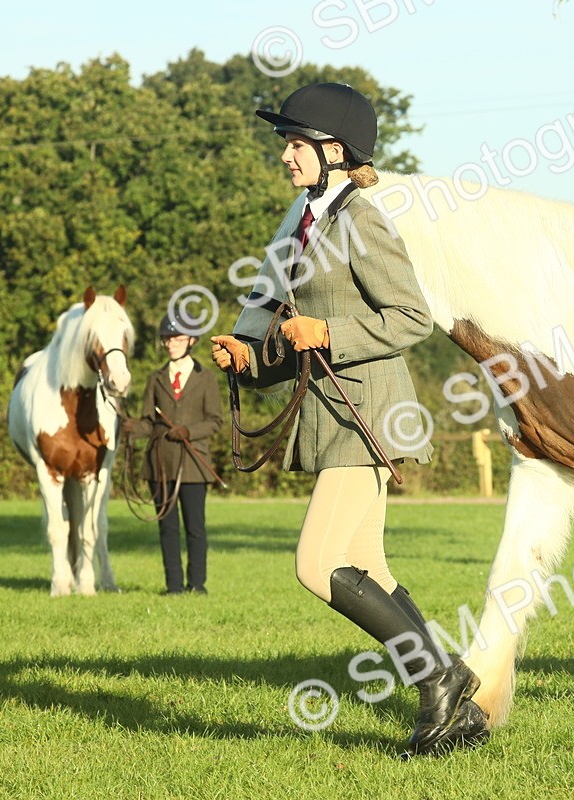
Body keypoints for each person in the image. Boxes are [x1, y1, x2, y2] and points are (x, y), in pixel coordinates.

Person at [208, 82, 487, 756]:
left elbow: (413, 318)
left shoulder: (360, 219)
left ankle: (441, 683)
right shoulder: (308, 225)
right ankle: (455, 701)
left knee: (316, 563)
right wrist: (248, 357)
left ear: (334, 150)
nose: (286, 155)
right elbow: (301, 336)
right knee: (366, 562)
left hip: (367, 414)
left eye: (296, 144)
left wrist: (328, 330)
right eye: (286, 145)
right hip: (334, 413)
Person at [123, 314, 223, 594]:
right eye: (167, 339)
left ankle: (197, 584)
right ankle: (174, 586)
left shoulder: (206, 379)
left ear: (191, 341)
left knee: (195, 528)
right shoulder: (155, 378)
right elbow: (148, 421)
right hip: (160, 464)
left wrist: (188, 431)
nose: (170, 344)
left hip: (193, 464)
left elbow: (215, 421)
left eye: (177, 338)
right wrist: (132, 428)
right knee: (167, 529)